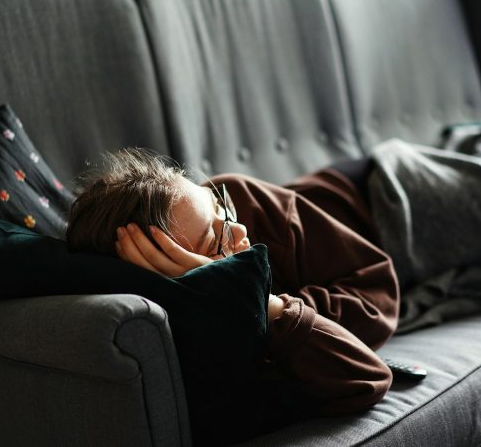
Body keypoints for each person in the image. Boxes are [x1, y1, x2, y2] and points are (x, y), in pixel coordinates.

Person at [65, 148, 400, 416]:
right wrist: (259, 301)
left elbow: (378, 294)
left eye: (218, 207)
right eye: (215, 241)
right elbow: (367, 378)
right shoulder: (204, 325)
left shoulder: (241, 198)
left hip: (384, 191)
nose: (239, 231)